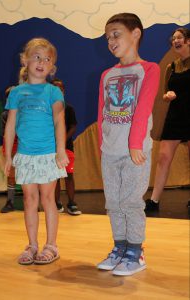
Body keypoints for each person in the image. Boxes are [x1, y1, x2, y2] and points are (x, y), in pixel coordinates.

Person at [97, 13, 160, 276]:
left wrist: (135, 143)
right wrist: (102, 143)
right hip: (110, 151)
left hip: (135, 151)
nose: (111, 41)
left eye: (116, 34)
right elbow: (101, 112)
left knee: (131, 201)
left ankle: (136, 251)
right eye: (107, 37)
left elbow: (144, 107)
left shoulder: (149, 69)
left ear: (135, 33)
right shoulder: (107, 74)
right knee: (113, 202)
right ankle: (119, 247)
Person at [4, 37, 69, 265]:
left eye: (47, 59)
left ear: (52, 68)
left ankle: (51, 245)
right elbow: (10, 126)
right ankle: (32, 245)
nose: (42, 62)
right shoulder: (16, 93)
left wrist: (60, 151)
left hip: (48, 155)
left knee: (48, 198)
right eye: (37, 57)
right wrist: (7, 156)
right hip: (26, 155)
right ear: (25, 60)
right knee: (30, 200)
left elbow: (60, 121)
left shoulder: (53, 92)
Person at [145, 28, 190, 212]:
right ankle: (154, 201)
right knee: (163, 158)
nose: (175, 41)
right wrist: (167, 96)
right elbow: (164, 93)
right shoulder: (171, 67)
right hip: (176, 116)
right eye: (173, 38)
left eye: (179, 37)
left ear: (188, 41)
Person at [51, 79, 82, 216]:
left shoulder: (68, 108)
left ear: (64, 90)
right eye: (55, 88)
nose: (58, 91)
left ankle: (71, 203)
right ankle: (56, 202)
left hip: (66, 148)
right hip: (51, 149)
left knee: (69, 175)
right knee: (55, 177)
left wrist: (62, 140)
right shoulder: (48, 109)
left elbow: (73, 126)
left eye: (60, 88)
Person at [0, 86, 17, 213]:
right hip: (11, 147)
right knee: (11, 175)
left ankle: (33, 203)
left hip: (25, 146)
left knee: (29, 176)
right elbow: (6, 134)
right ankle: (10, 202)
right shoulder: (5, 115)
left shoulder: (26, 112)